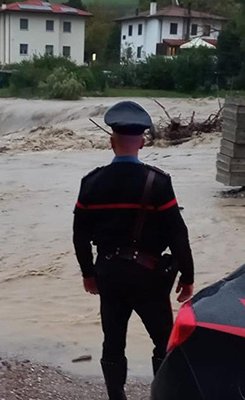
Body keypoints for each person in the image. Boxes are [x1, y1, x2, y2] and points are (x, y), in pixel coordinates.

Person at [73, 101, 195, 400]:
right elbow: (178, 233)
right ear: (142, 141)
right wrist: (188, 276)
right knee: (163, 340)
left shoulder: (91, 182)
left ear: (111, 141)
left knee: (113, 341)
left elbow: (79, 235)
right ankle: (163, 395)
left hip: (109, 274)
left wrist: (88, 274)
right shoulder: (158, 182)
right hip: (149, 277)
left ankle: (117, 396)